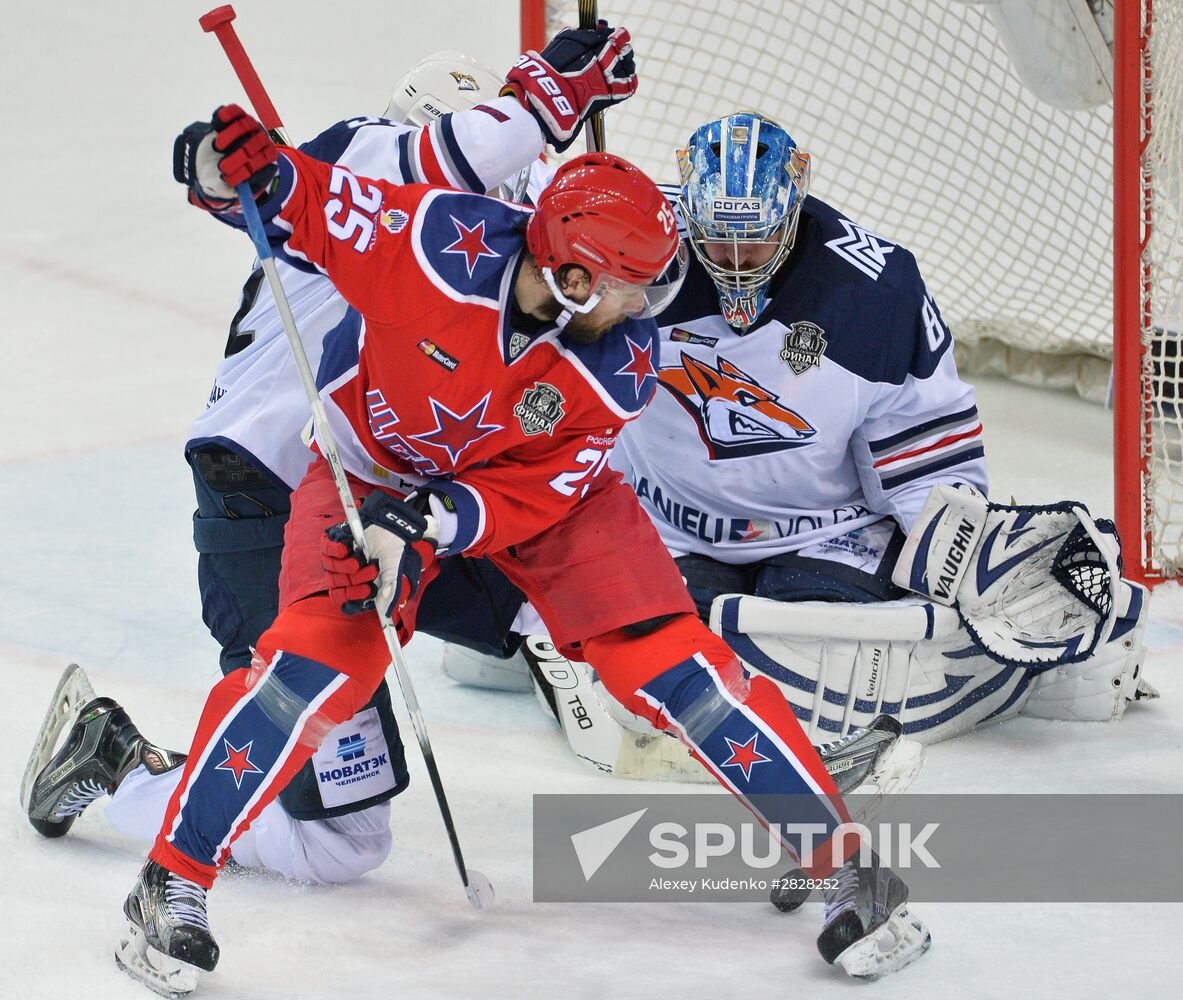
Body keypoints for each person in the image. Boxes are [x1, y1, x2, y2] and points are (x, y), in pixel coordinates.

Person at [114, 53, 932, 997]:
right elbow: (296, 196)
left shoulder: (618, 363)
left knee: (676, 668)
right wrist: (224, 169)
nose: (649, 306)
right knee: (307, 676)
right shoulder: (431, 244)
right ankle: (171, 885)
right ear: (574, 275)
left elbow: (537, 494)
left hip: (539, 501)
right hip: (364, 478)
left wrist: (431, 525)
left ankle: (838, 864)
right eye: (632, 285)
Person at [448, 110, 1153, 769]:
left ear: (796, 200)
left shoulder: (873, 289)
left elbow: (919, 444)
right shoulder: (631, 249)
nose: (733, 260)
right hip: (663, 521)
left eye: (753, 237)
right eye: (716, 237)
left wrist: (957, 546)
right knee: (653, 645)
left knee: (829, 646)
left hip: (825, 530)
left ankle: (1040, 668)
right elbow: (526, 264)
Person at [22, 48, 555, 887]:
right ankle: (119, 766)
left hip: (368, 508)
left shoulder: (492, 249)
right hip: (266, 509)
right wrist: (216, 167)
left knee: (554, 588)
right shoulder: (353, 170)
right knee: (342, 844)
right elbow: (239, 181)